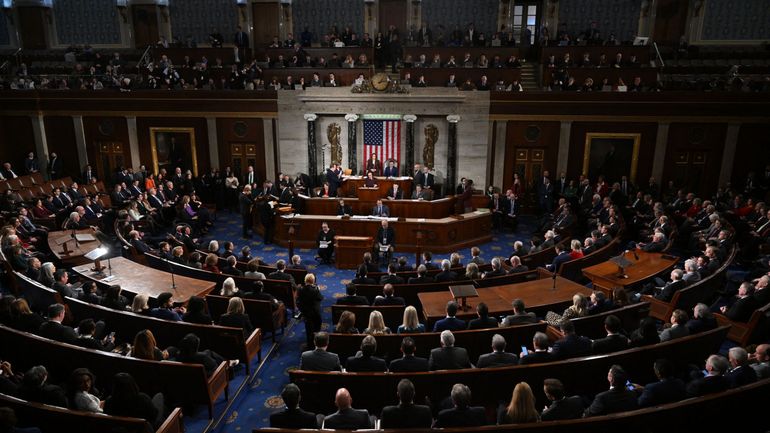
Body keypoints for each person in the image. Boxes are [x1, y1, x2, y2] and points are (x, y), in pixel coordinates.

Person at [297, 273, 322, 347]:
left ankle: (309, 343)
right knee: (317, 326)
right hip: (315, 312)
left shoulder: (300, 289)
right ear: (313, 281)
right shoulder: (315, 290)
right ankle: (317, 342)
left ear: (305, 280)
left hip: (306, 312)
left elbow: (299, 300)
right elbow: (320, 298)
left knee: (308, 328)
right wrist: (318, 290)